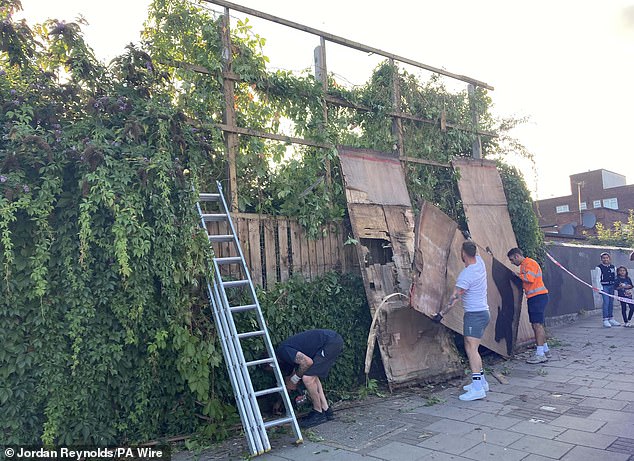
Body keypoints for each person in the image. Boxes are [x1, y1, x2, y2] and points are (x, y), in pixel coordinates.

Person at [437, 241, 490, 401]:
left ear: (463, 254)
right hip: (483, 312)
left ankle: (477, 388)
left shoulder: (466, 275)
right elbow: (478, 252)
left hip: (474, 314)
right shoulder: (480, 264)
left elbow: (454, 299)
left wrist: (440, 314)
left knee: (471, 349)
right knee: (473, 347)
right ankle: (482, 382)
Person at [275, 329, 343, 428]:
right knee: (313, 376)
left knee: (307, 378)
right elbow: (291, 378)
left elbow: (307, 362)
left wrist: (294, 380)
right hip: (331, 340)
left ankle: (318, 413)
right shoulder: (287, 357)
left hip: (329, 342)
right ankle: (326, 410)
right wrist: (279, 402)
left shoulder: (283, 351)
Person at [507, 248, 551, 363]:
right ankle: (544, 349)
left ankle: (540, 354)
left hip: (537, 297)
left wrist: (517, 275)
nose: (512, 262)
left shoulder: (528, 263)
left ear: (517, 256)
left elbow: (529, 279)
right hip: (537, 297)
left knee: (537, 325)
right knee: (537, 324)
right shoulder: (526, 264)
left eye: (512, 260)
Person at [598, 252, 619, 327]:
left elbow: (616, 277)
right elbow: (598, 278)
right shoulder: (599, 267)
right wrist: (599, 289)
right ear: (601, 259)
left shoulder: (613, 267)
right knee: (606, 302)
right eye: (604, 258)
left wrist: (617, 286)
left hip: (612, 286)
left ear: (609, 259)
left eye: (607, 258)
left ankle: (611, 318)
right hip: (604, 287)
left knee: (611, 302)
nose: (605, 259)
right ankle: (605, 319)